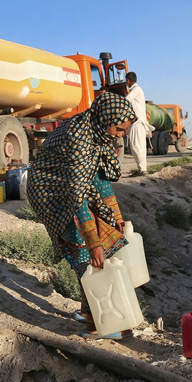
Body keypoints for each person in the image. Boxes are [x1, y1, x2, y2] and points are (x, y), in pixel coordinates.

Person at [27, 92, 136, 339]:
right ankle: (97, 324)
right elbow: (76, 197)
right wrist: (93, 241)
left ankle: (89, 311)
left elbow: (99, 178)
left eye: (124, 130)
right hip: (50, 192)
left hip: (75, 187)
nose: (121, 135)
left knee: (98, 249)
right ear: (106, 119)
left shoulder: (99, 133)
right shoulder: (78, 137)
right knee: (85, 253)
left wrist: (116, 215)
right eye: (119, 129)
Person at [125, 72, 152, 176]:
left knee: (136, 146)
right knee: (138, 146)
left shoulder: (136, 90)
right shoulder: (137, 90)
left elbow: (126, 101)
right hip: (137, 123)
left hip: (137, 123)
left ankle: (142, 170)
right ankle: (141, 168)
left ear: (128, 80)